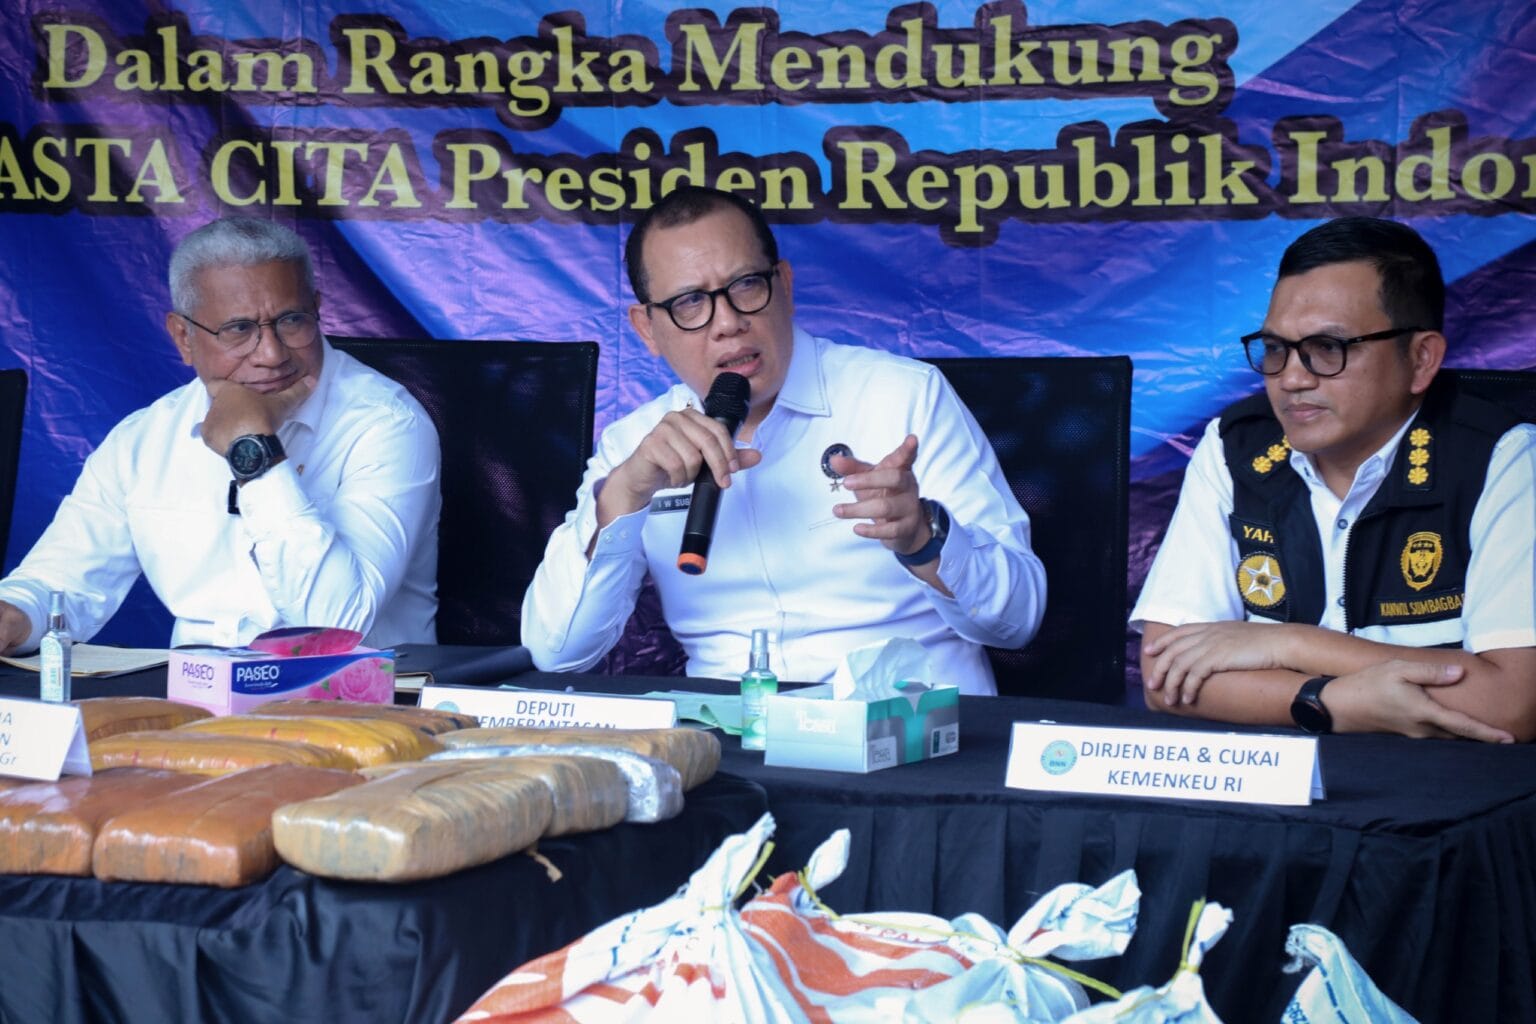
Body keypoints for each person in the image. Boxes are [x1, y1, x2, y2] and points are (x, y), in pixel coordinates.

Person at [522, 186, 1045, 695]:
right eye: (689, 302)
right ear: (647, 329)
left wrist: (924, 538)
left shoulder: (904, 396)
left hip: (906, 723)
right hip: (728, 735)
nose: (728, 323)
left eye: (747, 285)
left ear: (786, 285)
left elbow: (1018, 620)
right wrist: (620, 502)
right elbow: (557, 652)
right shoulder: (634, 446)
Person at [1133, 216, 1536, 741]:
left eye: (1328, 347)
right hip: (1273, 779)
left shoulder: (1502, 458)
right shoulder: (1236, 446)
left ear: (1421, 359)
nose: (1292, 378)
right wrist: (1328, 703)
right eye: (1275, 348)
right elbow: (1165, 678)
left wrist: (1289, 644)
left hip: (1443, 783)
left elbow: (1512, 704)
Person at [0, 217, 441, 653]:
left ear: (317, 309)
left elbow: (337, 624)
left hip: (354, 692)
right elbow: (59, 583)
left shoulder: (388, 423)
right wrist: (16, 615)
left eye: (291, 320)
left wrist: (253, 448)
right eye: (239, 329)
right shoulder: (144, 439)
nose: (271, 354)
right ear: (183, 337)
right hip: (194, 693)